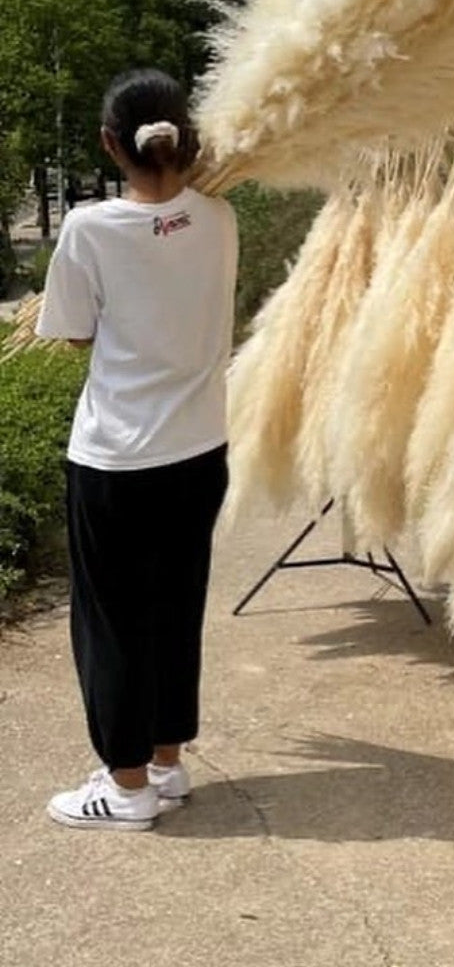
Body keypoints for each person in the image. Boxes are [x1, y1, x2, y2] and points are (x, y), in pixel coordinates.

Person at [36, 69, 237, 831]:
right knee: (173, 611)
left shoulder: (88, 228)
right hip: (199, 452)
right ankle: (164, 763)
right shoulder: (219, 216)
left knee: (112, 624)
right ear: (186, 137)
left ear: (108, 143)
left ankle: (125, 791)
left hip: (117, 462)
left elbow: (72, 330)